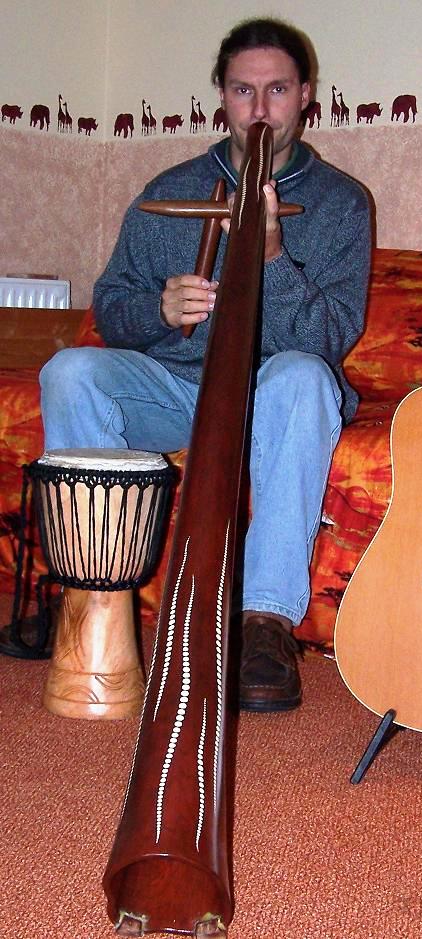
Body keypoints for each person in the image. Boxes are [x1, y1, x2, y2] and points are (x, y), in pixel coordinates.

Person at [39, 17, 371, 713]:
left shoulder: (341, 203)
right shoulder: (171, 188)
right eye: (244, 90)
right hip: (179, 389)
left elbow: (331, 336)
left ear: (305, 94)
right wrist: (158, 310)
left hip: (274, 391)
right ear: (221, 94)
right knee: (70, 371)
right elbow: (113, 307)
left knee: (304, 375)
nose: (260, 109)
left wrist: (273, 258)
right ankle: (91, 592)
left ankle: (264, 623)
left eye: (277, 90)